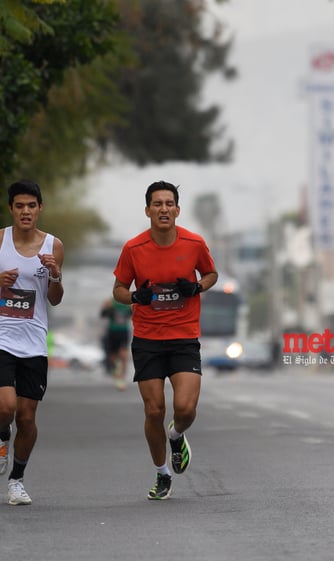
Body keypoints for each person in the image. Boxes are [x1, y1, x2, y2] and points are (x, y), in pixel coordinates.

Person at [112, 180, 218, 500]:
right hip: (147, 339)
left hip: (184, 337)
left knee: (184, 409)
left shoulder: (194, 243)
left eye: (169, 203)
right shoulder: (133, 248)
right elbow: (117, 291)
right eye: (157, 204)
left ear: (177, 210)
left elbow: (212, 274)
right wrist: (134, 297)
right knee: (154, 410)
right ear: (148, 210)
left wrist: (197, 287)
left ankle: (176, 436)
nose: (163, 209)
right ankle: (162, 474)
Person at [0, 179, 64, 505]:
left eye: (31, 206)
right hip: (1, 338)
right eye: (19, 206)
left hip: (34, 342)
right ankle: (2, 435)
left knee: (27, 417)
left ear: (39, 209)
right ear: (11, 208)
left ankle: (17, 480)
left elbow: (55, 298)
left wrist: (55, 275)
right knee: (5, 407)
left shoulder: (54, 246)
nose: (25, 211)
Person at [100, 297, 132, 390]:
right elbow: (103, 315)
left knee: (124, 356)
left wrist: (132, 306)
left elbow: (134, 314)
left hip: (124, 332)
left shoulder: (128, 302)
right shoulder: (111, 302)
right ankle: (115, 371)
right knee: (113, 357)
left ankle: (121, 379)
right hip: (112, 332)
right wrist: (105, 307)